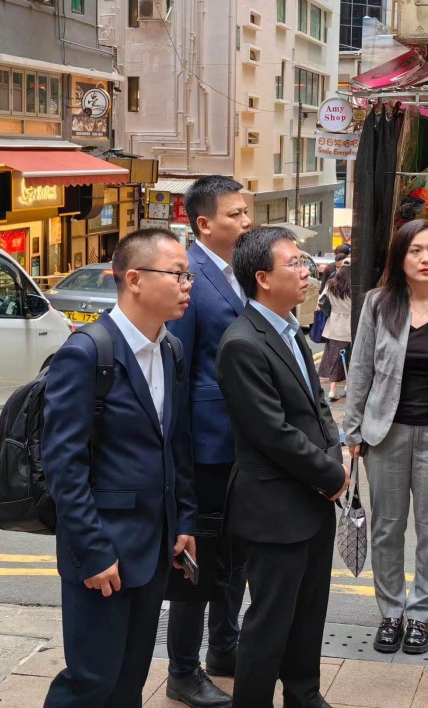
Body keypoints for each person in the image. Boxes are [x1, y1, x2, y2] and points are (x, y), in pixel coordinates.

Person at [43, 228, 198, 707]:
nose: (187, 284)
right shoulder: (88, 352)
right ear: (133, 278)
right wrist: (92, 552)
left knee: (129, 680)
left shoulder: (169, 349)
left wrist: (185, 519)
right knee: (90, 682)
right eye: (177, 274)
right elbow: (64, 466)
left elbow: (176, 443)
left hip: (153, 548)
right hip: (102, 552)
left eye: (187, 275)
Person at [217, 226, 349, 708]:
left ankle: (304, 694)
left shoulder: (291, 327)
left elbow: (317, 409)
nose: (306, 271)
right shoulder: (242, 343)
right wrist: (330, 474)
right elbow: (270, 432)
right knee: (269, 621)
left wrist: (333, 457)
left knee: (309, 612)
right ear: (262, 278)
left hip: (312, 499)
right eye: (293, 263)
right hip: (274, 506)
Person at [343, 218, 428, 656]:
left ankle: (420, 616)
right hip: (386, 435)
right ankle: (391, 613)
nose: (426, 258)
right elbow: (360, 370)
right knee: (386, 527)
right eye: (416, 250)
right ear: (400, 258)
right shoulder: (379, 305)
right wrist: (353, 431)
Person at [165, 176, 252, 708]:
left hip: (240, 445)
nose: (246, 223)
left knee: (234, 557)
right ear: (204, 223)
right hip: (205, 448)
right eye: (235, 214)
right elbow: (182, 368)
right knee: (198, 563)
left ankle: (224, 647)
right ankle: (182, 669)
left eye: (246, 213)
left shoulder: (237, 274)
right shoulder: (192, 277)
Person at [317, 261, 352, 401]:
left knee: (333, 358)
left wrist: (330, 312)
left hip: (334, 325)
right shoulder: (354, 286)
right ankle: (348, 385)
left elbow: (321, 300)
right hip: (350, 326)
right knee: (350, 358)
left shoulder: (331, 284)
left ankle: (332, 389)